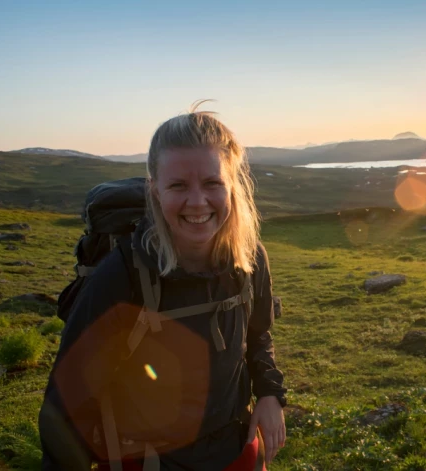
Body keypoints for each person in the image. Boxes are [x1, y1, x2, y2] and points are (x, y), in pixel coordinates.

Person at [38, 104, 287, 471]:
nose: (198, 202)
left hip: (237, 452)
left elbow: (258, 334)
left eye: (213, 183)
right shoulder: (123, 275)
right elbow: (66, 403)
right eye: (178, 186)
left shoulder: (249, 260)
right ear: (155, 191)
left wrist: (269, 393)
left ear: (232, 186)